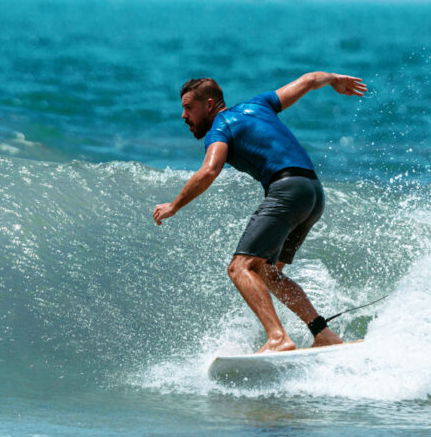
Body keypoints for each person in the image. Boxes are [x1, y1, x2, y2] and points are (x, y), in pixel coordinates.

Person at [153, 72, 367, 353]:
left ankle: (277, 337)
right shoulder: (260, 104)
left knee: (240, 267)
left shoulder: (221, 127)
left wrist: (174, 205)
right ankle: (323, 333)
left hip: (287, 191)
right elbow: (308, 80)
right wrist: (332, 79)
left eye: (188, 108)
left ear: (208, 105)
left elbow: (209, 171)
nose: (183, 115)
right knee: (268, 272)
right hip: (312, 192)